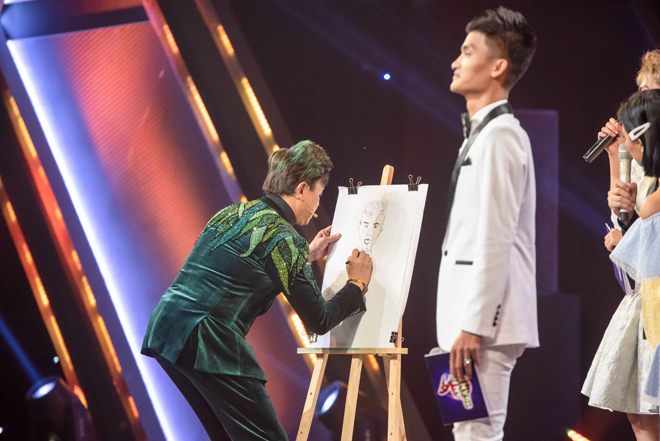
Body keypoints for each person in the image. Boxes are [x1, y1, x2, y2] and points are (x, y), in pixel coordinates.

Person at [141, 140, 373, 441]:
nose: (318, 204)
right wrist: (356, 284)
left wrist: (305, 254)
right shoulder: (285, 238)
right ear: (302, 189)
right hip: (208, 340)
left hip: (167, 329)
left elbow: (245, 266)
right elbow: (320, 319)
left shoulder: (234, 212)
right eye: (319, 193)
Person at [435, 7, 537, 440]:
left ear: (497, 66)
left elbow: (497, 238)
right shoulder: (484, 134)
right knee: (469, 433)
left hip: (483, 327)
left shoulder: (502, 135)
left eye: (467, 51)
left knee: (477, 435)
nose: (455, 62)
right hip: (469, 321)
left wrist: (474, 325)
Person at [582, 54, 660, 441]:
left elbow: (642, 222)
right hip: (646, 291)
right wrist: (615, 155)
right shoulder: (642, 160)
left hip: (655, 289)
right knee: (639, 409)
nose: (643, 97)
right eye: (641, 89)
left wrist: (626, 236)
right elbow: (626, 214)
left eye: (652, 90)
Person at [607, 91, 660, 440]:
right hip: (652, 306)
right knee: (642, 412)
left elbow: (644, 257)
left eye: (628, 138)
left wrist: (621, 242)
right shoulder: (652, 190)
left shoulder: (654, 200)